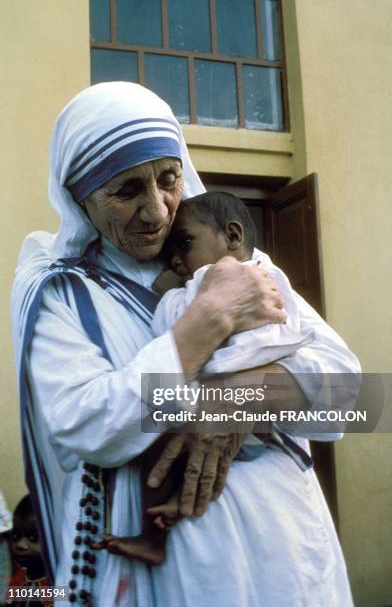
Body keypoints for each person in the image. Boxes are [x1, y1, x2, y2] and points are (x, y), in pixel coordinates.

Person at [11, 82, 361, 607]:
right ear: (80, 198)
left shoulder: (237, 261)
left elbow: (355, 394)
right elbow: (84, 422)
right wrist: (205, 324)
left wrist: (226, 404)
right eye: (127, 191)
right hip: (166, 568)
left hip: (286, 548)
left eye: (169, 179)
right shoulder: (63, 291)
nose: (157, 211)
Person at [95, 191, 318, 566]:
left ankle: (153, 536)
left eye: (184, 245)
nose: (178, 262)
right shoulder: (273, 277)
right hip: (269, 440)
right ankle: (172, 513)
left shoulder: (217, 278)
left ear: (232, 236)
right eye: (170, 258)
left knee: (156, 436)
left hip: (270, 508)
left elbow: (355, 393)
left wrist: (166, 296)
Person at [8, 495, 53, 607]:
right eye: (16, 536)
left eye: (33, 537)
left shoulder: (57, 584)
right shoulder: (17, 579)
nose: (20, 545)